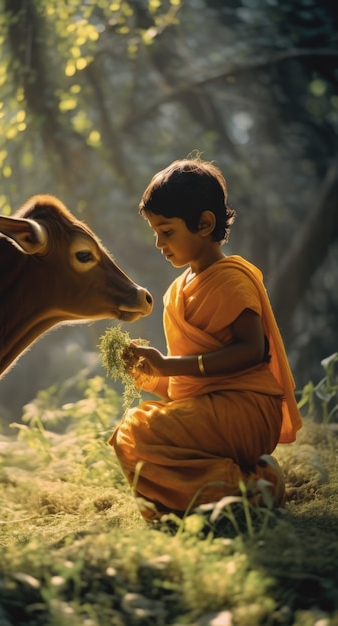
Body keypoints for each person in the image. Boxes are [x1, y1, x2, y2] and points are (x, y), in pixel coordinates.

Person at [108, 157, 302, 522]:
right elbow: (188, 382)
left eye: (167, 232)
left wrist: (169, 364)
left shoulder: (231, 278)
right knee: (131, 434)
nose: (158, 243)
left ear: (204, 224)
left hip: (247, 410)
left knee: (139, 433)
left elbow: (251, 350)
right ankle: (235, 489)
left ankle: (259, 489)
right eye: (155, 233)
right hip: (210, 410)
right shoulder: (175, 293)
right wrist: (149, 370)